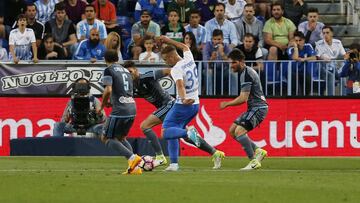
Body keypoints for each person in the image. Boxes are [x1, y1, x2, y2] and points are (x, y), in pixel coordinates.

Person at [159, 35, 225, 171]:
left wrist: (183, 99)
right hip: (195, 104)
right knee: (173, 133)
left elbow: (180, 85)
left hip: (183, 105)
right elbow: (184, 46)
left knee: (166, 132)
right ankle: (175, 163)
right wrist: (168, 40)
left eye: (166, 60)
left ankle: (188, 133)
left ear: (171, 57)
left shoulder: (176, 68)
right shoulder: (188, 58)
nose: (166, 63)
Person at [220, 49, 268, 170]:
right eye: (231, 63)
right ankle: (258, 151)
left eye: (234, 63)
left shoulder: (246, 74)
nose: (232, 66)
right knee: (232, 130)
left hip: (258, 108)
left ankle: (253, 161)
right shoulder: (245, 72)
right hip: (253, 108)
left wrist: (227, 104)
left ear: (241, 62)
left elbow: (243, 98)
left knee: (239, 131)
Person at [99, 49, 142, 175]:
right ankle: (135, 168)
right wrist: (111, 101)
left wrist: (102, 106)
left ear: (105, 59)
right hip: (132, 107)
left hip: (120, 110)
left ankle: (133, 158)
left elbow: (108, 90)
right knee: (121, 137)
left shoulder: (108, 70)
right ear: (117, 59)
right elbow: (126, 92)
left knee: (106, 137)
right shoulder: (126, 71)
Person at [315, 25, 346, 96]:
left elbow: (344, 55)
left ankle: (345, 97)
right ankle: (330, 98)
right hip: (322, 68)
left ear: (332, 33)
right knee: (331, 76)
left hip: (335, 67)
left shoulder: (338, 42)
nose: (325, 35)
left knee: (343, 76)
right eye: (324, 33)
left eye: (327, 33)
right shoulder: (319, 44)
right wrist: (323, 58)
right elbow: (318, 56)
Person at [286, 31, 316, 95]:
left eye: (300, 40)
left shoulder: (308, 46)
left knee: (306, 91)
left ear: (304, 40)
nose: (298, 42)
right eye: (296, 40)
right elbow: (295, 58)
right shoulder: (290, 49)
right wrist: (295, 47)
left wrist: (304, 59)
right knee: (293, 92)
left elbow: (314, 57)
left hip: (305, 72)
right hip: (293, 72)